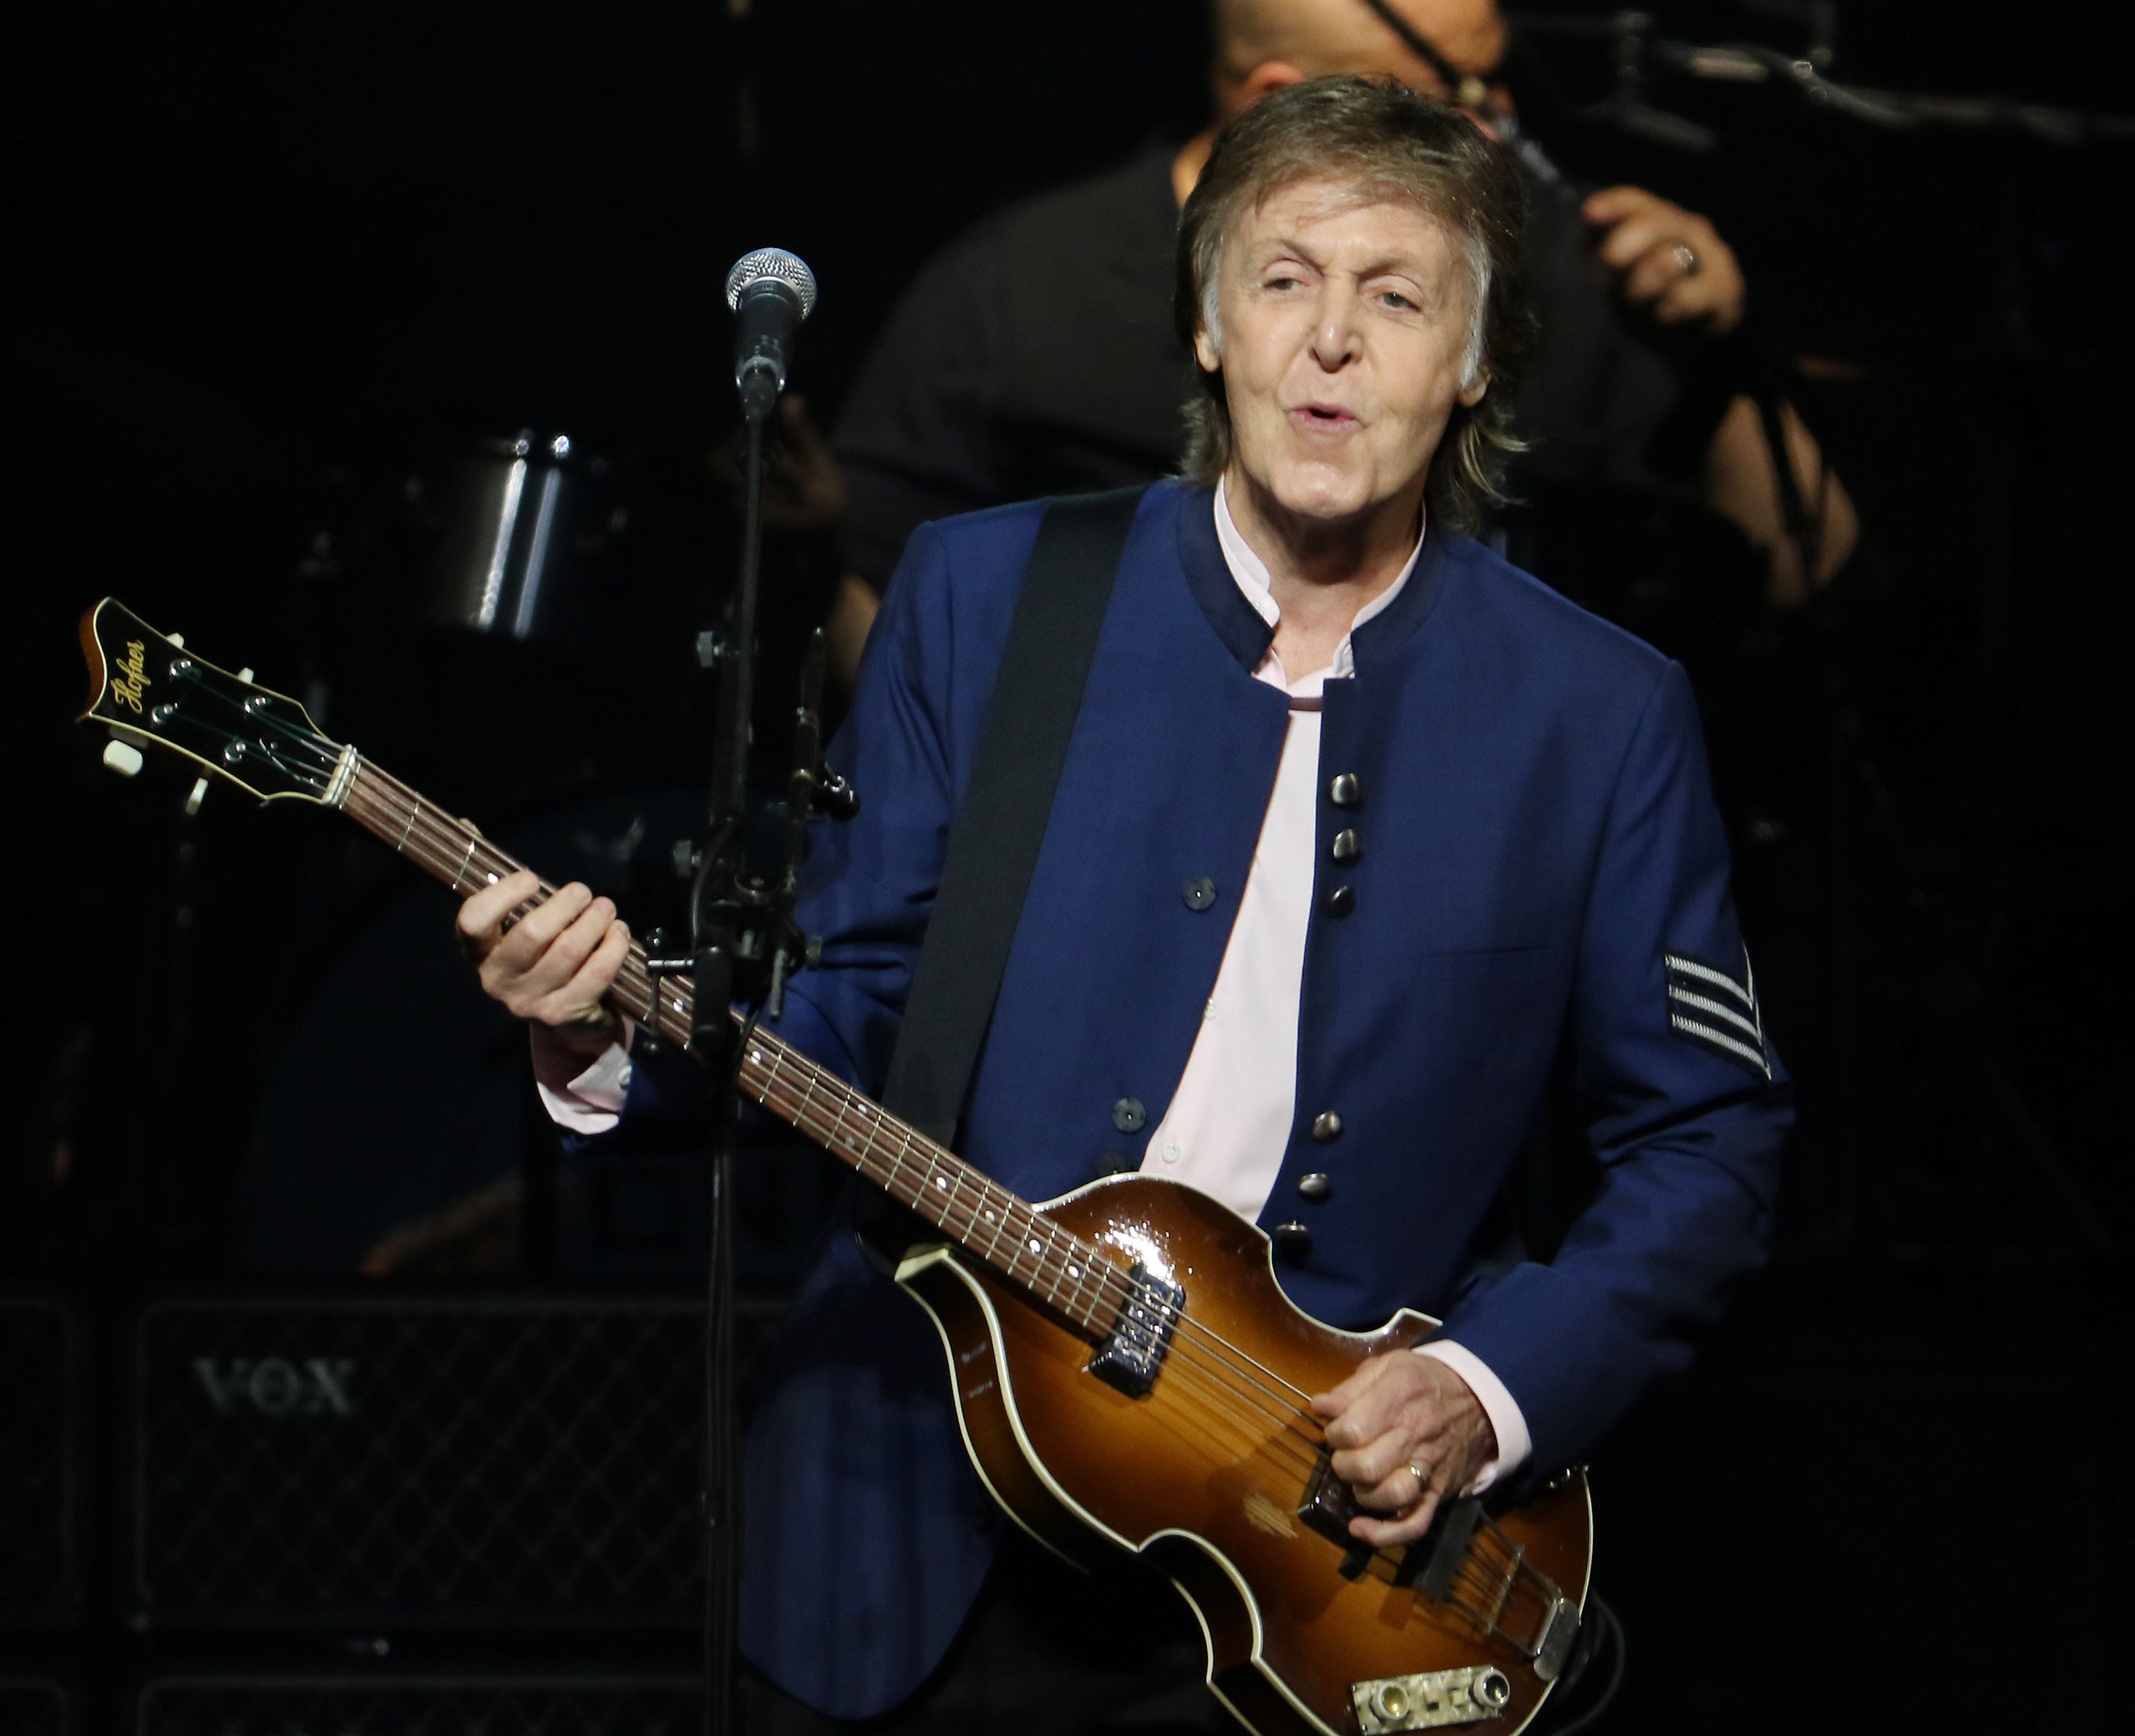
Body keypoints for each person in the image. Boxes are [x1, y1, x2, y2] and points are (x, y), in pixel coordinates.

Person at [458, 74, 1788, 1730]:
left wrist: (1480, 1389)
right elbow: (857, 1005)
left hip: (1327, 1574)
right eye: (1283, 279)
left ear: (1471, 365)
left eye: (1395, 296)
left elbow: (1707, 1146)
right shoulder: (993, 593)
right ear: (1211, 326)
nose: (1329, 341)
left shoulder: (1598, 710)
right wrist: (608, 1034)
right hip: (910, 1532)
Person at [809, 0, 1859, 688]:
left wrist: (1716, 363)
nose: (1493, 136)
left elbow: (1809, 567)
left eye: (1499, 93)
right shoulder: (1020, 286)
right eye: (1448, 101)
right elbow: (880, 616)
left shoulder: (1543, 274)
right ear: (1280, 103)